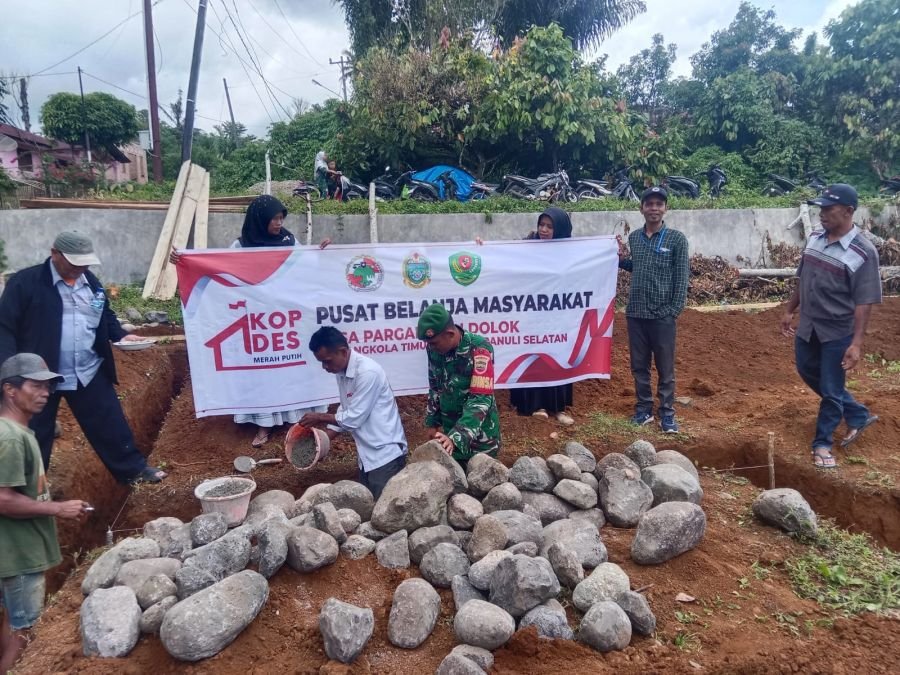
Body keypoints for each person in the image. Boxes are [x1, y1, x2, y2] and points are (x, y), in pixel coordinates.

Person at [0, 232, 167, 484]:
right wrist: (12, 372)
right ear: (54, 253)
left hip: (87, 369)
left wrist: (120, 334)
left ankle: (134, 471)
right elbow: (5, 327)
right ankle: (29, 487)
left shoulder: (90, 281)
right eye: (74, 262)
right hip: (39, 376)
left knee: (109, 424)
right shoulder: (26, 283)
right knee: (35, 432)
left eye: (85, 262)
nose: (81, 267)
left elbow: (103, 315)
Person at [172, 195, 328, 447]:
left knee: (290, 367)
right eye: (274, 219)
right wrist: (184, 263)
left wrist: (320, 252)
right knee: (263, 372)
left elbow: (305, 264)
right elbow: (220, 273)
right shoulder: (241, 247)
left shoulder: (288, 241)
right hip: (257, 323)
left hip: (286, 322)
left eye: (281, 218)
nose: (279, 223)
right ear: (259, 220)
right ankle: (263, 425)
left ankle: (296, 419)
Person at [780, 183, 881, 468]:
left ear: (848, 211)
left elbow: (864, 302)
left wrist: (857, 343)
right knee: (806, 369)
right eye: (820, 208)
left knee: (832, 387)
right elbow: (804, 277)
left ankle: (822, 444)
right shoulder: (815, 237)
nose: (822, 213)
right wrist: (790, 310)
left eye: (828, 208)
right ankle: (858, 414)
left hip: (838, 330)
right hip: (809, 325)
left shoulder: (864, 252)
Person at [0, 353, 89, 672]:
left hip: (13, 554)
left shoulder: (18, 433)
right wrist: (58, 508)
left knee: (13, 621)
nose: (45, 393)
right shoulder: (10, 438)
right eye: (36, 386)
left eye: (47, 387)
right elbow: (3, 499)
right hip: (20, 556)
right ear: (10, 390)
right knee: (25, 636)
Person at [300, 327, 407, 499]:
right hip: (367, 456)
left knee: (385, 514)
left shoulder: (367, 372)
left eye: (327, 361)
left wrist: (319, 417)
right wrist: (323, 441)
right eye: (321, 362)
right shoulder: (341, 371)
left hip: (385, 455)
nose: (324, 367)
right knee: (368, 508)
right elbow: (346, 408)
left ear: (342, 351)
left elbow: (353, 419)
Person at [617, 186, 689, 433]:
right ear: (642, 208)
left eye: (659, 204)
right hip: (636, 312)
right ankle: (644, 410)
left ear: (665, 208)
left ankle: (667, 414)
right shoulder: (635, 238)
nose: (654, 208)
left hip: (662, 315)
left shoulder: (676, 239)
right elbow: (635, 266)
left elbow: (681, 278)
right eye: (649, 204)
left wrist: (673, 309)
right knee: (639, 366)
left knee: (665, 367)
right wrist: (616, 258)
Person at [510, 207, 575, 425]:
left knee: (556, 357)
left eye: (550, 226)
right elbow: (501, 259)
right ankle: (534, 405)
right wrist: (483, 247)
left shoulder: (573, 253)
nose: (544, 230)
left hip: (559, 316)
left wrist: (608, 248)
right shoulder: (526, 248)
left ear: (561, 230)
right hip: (531, 314)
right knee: (534, 357)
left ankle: (557, 408)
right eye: (541, 225)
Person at [417, 303, 501, 466]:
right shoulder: (434, 350)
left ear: (450, 333)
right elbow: (435, 386)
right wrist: (432, 422)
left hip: (481, 442)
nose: (430, 347)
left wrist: (456, 437)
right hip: (450, 437)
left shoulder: (479, 349)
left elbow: (481, 399)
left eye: (434, 343)